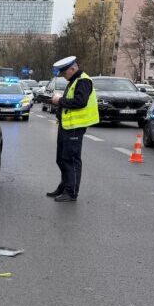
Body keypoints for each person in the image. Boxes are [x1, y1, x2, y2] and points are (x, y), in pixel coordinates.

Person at [48, 55, 99, 203]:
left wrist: (60, 100)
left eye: (65, 73)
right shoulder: (74, 80)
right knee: (61, 159)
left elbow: (80, 102)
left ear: (73, 68)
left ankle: (71, 192)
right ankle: (64, 187)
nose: (64, 76)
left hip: (75, 127)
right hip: (66, 126)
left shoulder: (83, 80)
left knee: (71, 160)